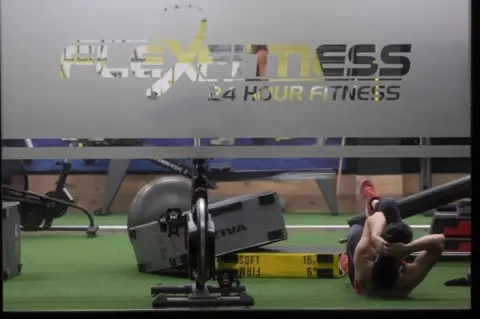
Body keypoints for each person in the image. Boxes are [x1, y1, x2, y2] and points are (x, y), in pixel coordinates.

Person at [341, 180, 445, 298]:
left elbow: (376, 217)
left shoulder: (364, 260)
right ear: (403, 255)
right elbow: (440, 241)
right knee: (389, 206)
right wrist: (407, 248)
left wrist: (374, 237)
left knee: (356, 229)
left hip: (359, 277)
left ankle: (373, 202)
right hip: (391, 265)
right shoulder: (407, 278)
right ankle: (374, 202)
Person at [210, 45, 269, 146]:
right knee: (243, 111)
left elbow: (263, 73)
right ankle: (259, 137)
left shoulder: (261, 52)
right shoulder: (253, 50)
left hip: (248, 87)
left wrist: (264, 91)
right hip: (245, 85)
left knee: (232, 107)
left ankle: (229, 137)